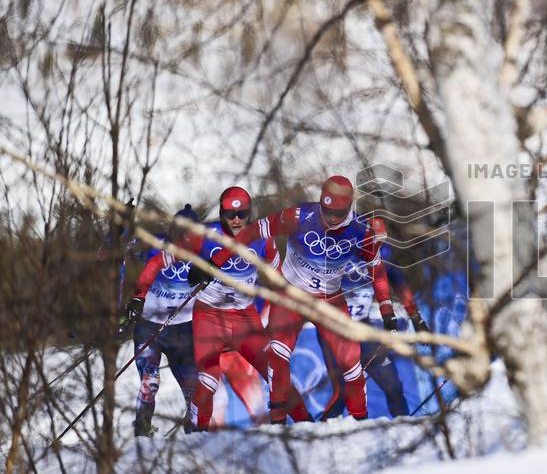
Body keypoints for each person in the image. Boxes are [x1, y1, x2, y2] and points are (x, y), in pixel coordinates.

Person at [205, 176, 393, 423]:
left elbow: (376, 271)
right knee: (278, 354)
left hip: (328, 300)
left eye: (338, 214)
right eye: (327, 212)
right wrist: (215, 262)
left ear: (349, 208)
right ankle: (278, 420)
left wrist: (387, 310)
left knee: (351, 363)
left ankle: (361, 419)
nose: (332, 219)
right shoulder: (298, 216)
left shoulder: (361, 231)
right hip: (290, 295)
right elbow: (252, 232)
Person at [184, 187, 311, 430]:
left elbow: (277, 280)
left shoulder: (263, 239)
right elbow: (176, 262)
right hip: (209, 315)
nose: (236, 220)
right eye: (230, 214)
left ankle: (308, 424)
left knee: (276, 372)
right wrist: (193, 272)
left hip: (244, 317)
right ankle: (196, 434)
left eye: (242, 214)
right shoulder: (206, 235)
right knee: (209, 380)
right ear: (221, 213)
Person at [121, 204, 201, 436]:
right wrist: (122, 229)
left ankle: (196, 432)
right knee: (150, 381)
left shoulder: (206, 250)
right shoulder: (156, 244)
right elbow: (112, 250)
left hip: (184, 331)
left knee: (193, 388)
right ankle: (142, 430)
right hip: (150, 327)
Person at [341, 243, 429, 418]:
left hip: (363, 329)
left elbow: (400, 284)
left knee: (394, 387)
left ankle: (404, 426)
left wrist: (416, 318)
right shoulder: (339, 253)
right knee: (343, 394)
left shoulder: (381, 256)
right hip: (335, 334)